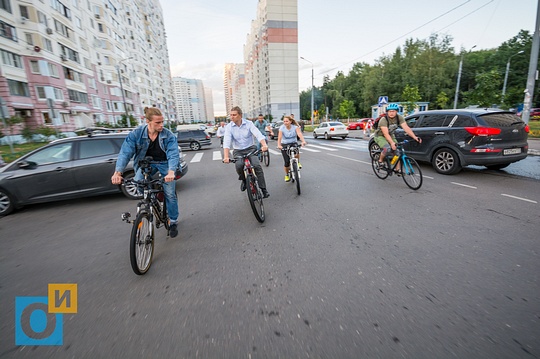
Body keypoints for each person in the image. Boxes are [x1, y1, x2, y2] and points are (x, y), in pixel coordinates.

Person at [111, 107, 180, 238]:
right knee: (138, 183)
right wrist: (118, 172)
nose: (161, 125)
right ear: (147, 121)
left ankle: (173, 221)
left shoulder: (168, 135)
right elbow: (125, 153)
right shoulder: (136, 134)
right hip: (146, 164)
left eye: (162, 122)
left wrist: (171, 171)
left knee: (170, 193)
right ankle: (153, 200)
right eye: (157, 123)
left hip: (165, 164)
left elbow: (173, 154)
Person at [223, 106, 270, 198]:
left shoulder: (249, 124)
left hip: (250, 148)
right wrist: (226, 156)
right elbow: (227, 142)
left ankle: (263, 189)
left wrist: (264, 145)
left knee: (257, 166)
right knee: (239, 165)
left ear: (240, 115)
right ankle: (244, 180)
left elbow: (257, 134)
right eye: (231, 115)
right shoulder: (229, 127)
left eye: (234, 115)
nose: (232, 117)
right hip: (238, 151)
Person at [374, 103, 421, 170]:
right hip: (380, 136)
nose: (391, 113)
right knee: (386, 149)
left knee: (397, 152)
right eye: (389, 111)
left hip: (391, 135)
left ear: (396, 111)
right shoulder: (384, 119)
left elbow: (406, 128)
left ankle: (397, 169)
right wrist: (392, 143)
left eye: (393, 111)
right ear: (387, 112)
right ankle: (380, 161)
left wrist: (415, 137)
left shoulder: (399, 118)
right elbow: (385, 134)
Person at [277, 115, 307, 182]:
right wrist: (279, 145)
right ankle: (287, 175)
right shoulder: (282, 128)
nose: (285, 123)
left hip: (293, 142)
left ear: (290, 121)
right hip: (284, 144)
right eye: (284, 121)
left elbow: (299, 134)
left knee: (296, 151)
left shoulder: (295, 127)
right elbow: (279, 137)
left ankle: (298, 162)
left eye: (287, 121)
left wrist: (303, 141)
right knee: (287, 162)